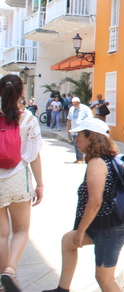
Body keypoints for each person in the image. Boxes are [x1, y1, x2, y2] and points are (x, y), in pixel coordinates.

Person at [44, 118, 124, 292]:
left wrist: (81, 230)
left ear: (91, 137)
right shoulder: (105, 159)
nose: (76, 140)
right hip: (107, 225)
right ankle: (62, 289)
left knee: (104, 279)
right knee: (68, 241)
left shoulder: (97, 162)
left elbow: (95, 202)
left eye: (79, 136)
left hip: (109, 228)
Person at [0, 75, 43, 292]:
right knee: (21, 230)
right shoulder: (29, 120)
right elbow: (34, 155)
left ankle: (1, 282)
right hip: (18, 180)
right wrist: (40, 184)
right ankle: (9, 271)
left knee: (1, 234)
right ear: (21, 94)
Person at [67, 97, 93, 164]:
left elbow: (90, 118)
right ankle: (78, 158)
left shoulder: (85, 109)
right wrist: (68, 127)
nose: (75, 105)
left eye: (76, 103)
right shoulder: (71, 109)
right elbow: (69, 119)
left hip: (83, 130)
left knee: (83, 144)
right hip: (74, 129)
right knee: (76, 144)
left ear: (79, 102)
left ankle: (83, 158)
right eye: (73, 103)